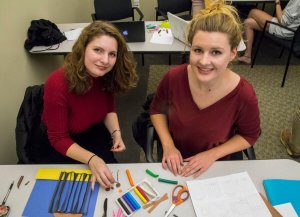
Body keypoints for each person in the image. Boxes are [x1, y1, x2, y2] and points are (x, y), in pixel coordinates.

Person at [150, 0, 261, 178]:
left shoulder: (244, 94)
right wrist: (168, 145)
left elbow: (249, 136)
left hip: (214, 167)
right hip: (174, 164)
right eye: (198, 50)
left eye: (216, 52)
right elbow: (156, 111)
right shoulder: (173, 78)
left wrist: (212, 154)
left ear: (232, 53)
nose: (203, 61)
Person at [42, 21, 138, 189]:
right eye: (98, 50)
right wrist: (92, 159)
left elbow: (109, 108)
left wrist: (116, 133)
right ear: (83, 48)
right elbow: (58, 138)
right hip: (65, 143)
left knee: (110, 182)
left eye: (112, 54)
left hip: (93, 132)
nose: (105, 60)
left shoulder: (105, 75)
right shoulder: (57, 83)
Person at [238, 0, 300, 64]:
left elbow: (282, 21)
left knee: (253, 12)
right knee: (248, 22)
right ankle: (247, 56)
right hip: (286, 27)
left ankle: (241, 42)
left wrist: (277, 3)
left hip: (283, 30)